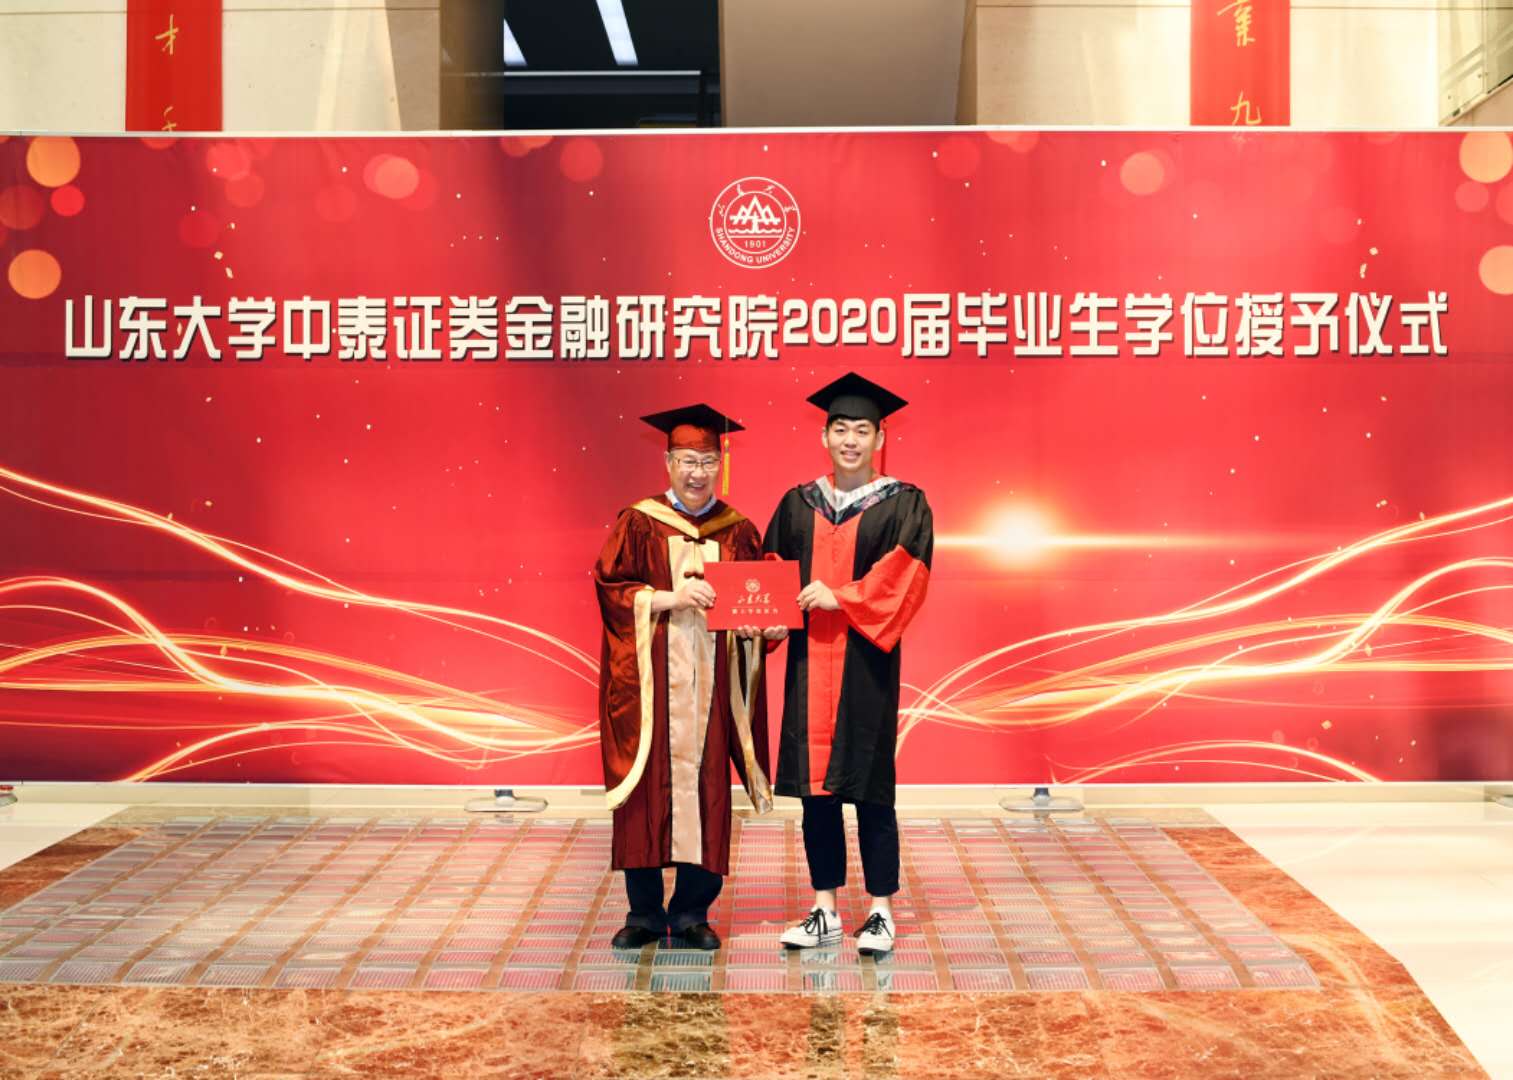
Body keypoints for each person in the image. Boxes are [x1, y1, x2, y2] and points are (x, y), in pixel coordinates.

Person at [762, 373, 933, 957]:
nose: (851, 440)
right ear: (824, 437)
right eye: (840, 429)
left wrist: (843, 597)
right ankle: (825, 908)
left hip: (866, 664)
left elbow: (907, 574)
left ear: (880, 437)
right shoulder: (797, 503)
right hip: (810, 664)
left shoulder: (905, 503)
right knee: (817, 793)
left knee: (872, 787)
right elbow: (773, 576)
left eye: (862, 430)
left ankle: (881, 910)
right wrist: (767, 621)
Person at [594, 403, 774, 951]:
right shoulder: (638, 522)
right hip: (652, 686)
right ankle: (644, 914)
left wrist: (762, 630)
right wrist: (670, 598)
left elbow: (758, 604)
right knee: (645, 795)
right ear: (668, 462)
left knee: (708, 790)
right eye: (687, 461)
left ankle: (693, 912)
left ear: (721, 463)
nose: (698, 473)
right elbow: (610, 588)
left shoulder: (739, 530)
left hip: (712, 689)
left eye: (707, 461)